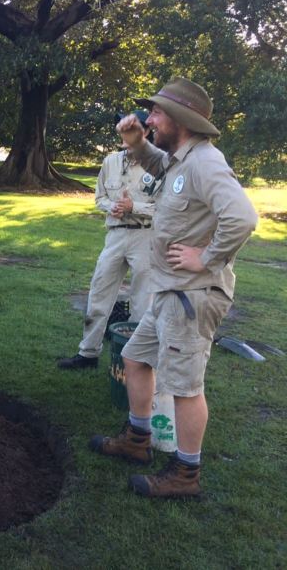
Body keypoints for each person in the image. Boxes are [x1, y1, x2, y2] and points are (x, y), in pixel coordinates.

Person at [90, 77, 258, 498]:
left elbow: (243, 217)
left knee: (184, 387)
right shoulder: (181, 159)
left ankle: (186, 474)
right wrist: (135, 143)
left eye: (158, 113)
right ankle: (138, 440)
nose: (150, 118)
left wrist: (207, 257)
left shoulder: (205, 162)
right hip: (170, 291)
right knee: (135, 358)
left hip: (192, 295)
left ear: (181, 119)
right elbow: (158, 166)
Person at [58, 111, 157, 369]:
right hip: (115, 235)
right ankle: (88, 353)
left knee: (141, 301)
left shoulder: (159, 165)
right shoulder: (111, 161)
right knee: (99, 291)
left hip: (145, 236)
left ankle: (133, 362)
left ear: (146, 132)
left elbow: (166, 209)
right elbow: (99, 197)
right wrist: (111, 206)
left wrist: (134, 206)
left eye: (133, 128)